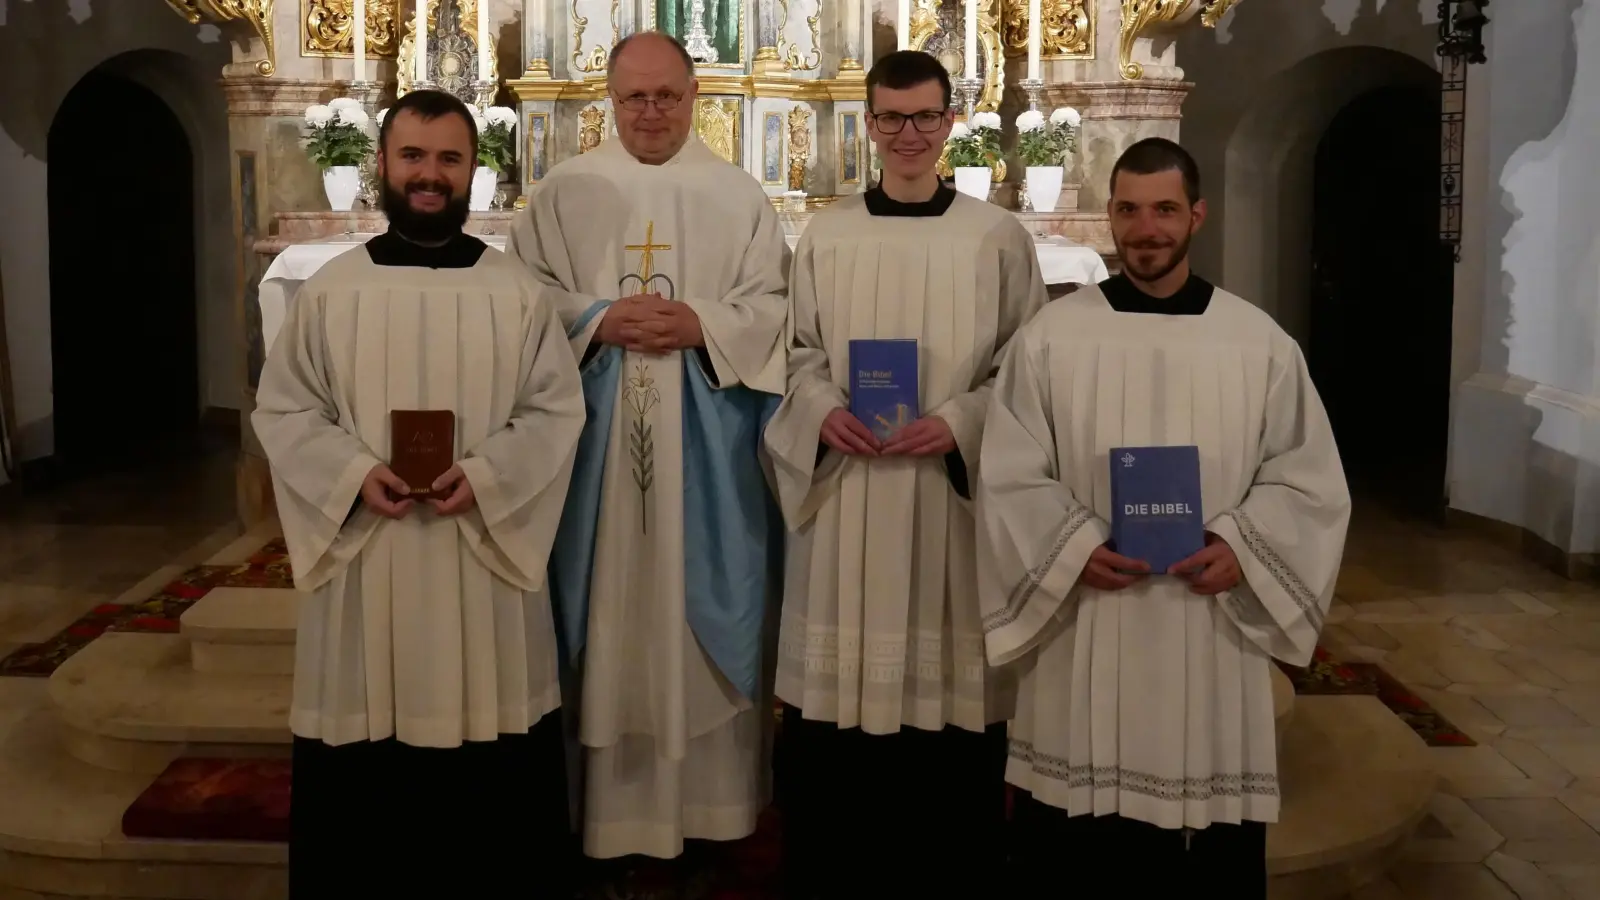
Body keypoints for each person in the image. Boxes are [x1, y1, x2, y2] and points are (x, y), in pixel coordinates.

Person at [976, 137, 1352, 897]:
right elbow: (1009, 473)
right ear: (1110, 217)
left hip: (1208, 618)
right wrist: (1073, 544)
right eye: (1129, 210)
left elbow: (1307, 478)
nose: (1146, 229)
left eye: (1165, 210)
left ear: (1197, 215)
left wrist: (1244, 546)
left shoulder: (1258, 343)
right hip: (1089, 615)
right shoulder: (1050, 339)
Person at [253, 89, 586, 896]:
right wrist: (349, 474)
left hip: (482, 560)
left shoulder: (516, 293)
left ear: (475, 171)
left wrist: (490, 474)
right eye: (414, 157)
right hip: (372, 556)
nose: (430, 175)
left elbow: (554, 411)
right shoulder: (333, 289)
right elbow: (286, 406)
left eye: (448, 158)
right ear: (382, 166)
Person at [761, 49, 1048, 898]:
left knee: (945, 699)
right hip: (848, 494)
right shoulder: (830, 233)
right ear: (870, 125)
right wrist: (820, 411)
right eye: (891, 118)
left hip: (945, 504)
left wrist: (958, 423)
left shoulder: (996, 237)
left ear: (951, 120)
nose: (909, 134)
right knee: (839, 715)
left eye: (925, 116)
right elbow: (798, 351)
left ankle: (948, 864)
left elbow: (1023, 371)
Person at [507, 31, 789, 863]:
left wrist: (706, 323)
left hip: (708, 454)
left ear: (695, 94)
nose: (652, 112)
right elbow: (522, 302)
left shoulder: (737, 195)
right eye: (636, 97)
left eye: (667, 95)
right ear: (610, 96)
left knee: (700, 606)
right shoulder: (566, 189)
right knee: (599, 610)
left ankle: (714, 809)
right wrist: (598, 320)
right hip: (593, 453)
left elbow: (776, 306)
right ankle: (603, 815)